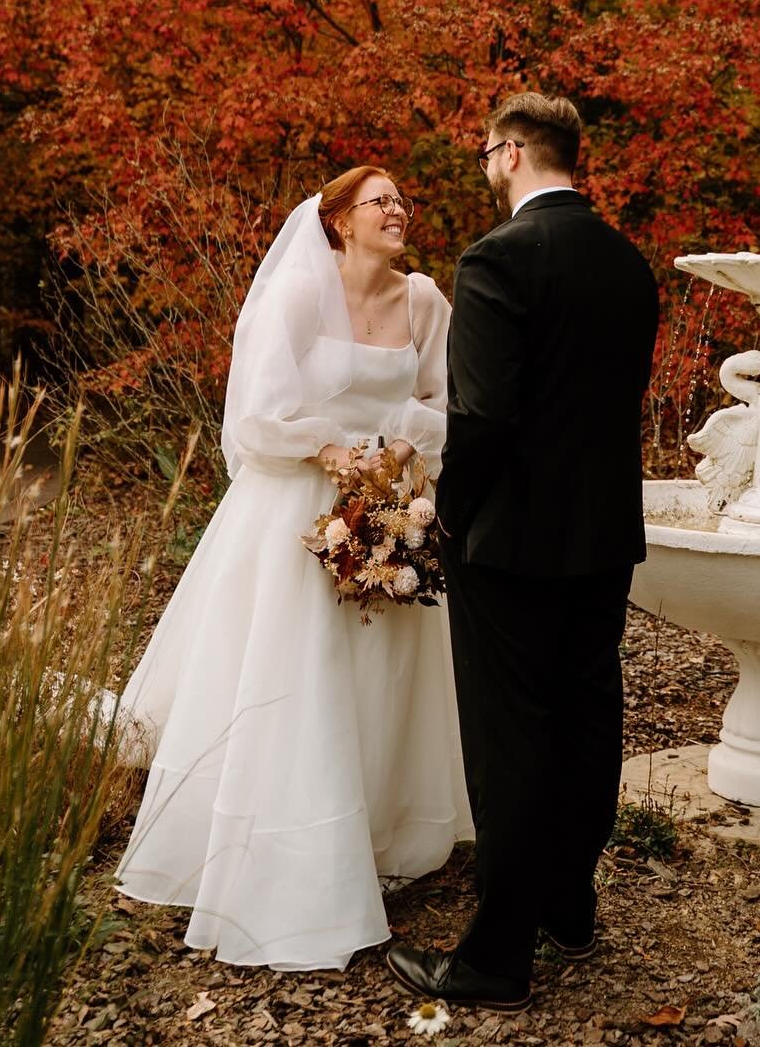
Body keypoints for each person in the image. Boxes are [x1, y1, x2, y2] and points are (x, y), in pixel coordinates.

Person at [113, 166, 471, 971]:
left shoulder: (424, 301)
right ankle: (285, 852)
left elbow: (443, 398)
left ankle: (375, 828)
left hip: (388, 502)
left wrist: (400, 453)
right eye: (380, 201)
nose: (397, 211)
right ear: (339, 221)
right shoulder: (297, 299)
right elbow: (256, 416)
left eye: (402, 202)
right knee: (298, 672)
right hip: (295, 508)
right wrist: (332, 450)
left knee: (381, 662)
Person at [386, 93, 660, 1014]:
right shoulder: (629, 263)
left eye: (484, 152)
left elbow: (484, 416)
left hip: (507, 540)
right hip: (603, 534)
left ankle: (496, 959)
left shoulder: (498, 258)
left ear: (508, 154)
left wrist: (447, 515)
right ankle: (567, 906)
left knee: (509, 738)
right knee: (587, 717)